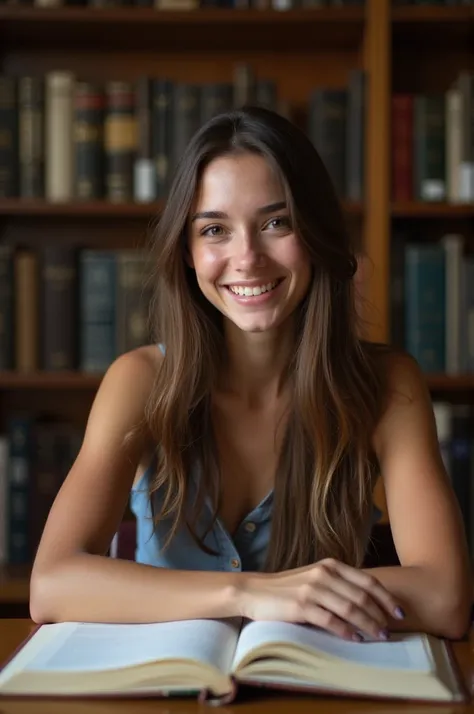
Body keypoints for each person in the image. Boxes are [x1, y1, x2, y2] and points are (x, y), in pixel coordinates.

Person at [30, 106, 471, 642]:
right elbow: (51, 585)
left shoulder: (386, 383)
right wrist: (248, 593)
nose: (247, 257)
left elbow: (445, 597)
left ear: (315, 234)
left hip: (313, 682)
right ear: (187, 253)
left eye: (276, 223)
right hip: (167, 683)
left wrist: (282, 599)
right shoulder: (140, 380)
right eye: (214, 230)